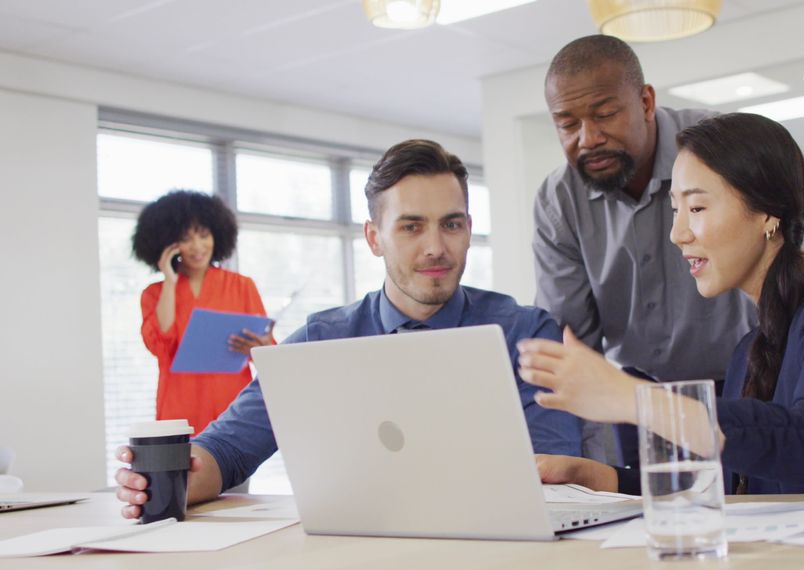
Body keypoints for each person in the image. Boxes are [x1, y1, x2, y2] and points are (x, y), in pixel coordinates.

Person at [115, 140, 583, 519]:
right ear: (374, 238)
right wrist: (170, 480)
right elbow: (228, 447)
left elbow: (557, 477)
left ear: (468, 229)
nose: (436, 247)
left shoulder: (526, 333)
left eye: (451, 224)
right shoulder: (322, 340)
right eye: (411, 227)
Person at [520, 113, 804, 495]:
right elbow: (725, 488)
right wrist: (597, 476)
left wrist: (633, 399)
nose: (677, 234)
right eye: (675, 210)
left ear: (768, 213)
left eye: (696, 208)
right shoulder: (749, 349)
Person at [533, 35, 756, 459]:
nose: (588, 138)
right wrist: (582, 466)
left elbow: (772, 269)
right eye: (567, 124)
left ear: (646, 102)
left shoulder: (717, 150)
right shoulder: (558, 200)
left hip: (746, 388)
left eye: (605, 115)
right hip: (635, 399)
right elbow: (571, 342)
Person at [133, 190, 274, 436]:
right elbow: (159, 345)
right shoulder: (154, 293)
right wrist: (169, 281)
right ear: (169, 244)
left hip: (233, 408)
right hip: (179, 408)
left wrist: (259, 348)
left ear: (217, 235)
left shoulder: (242, 286)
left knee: (234, 460)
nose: (197, 246)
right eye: (186, 239)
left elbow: (269, 352)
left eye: (204, 235)